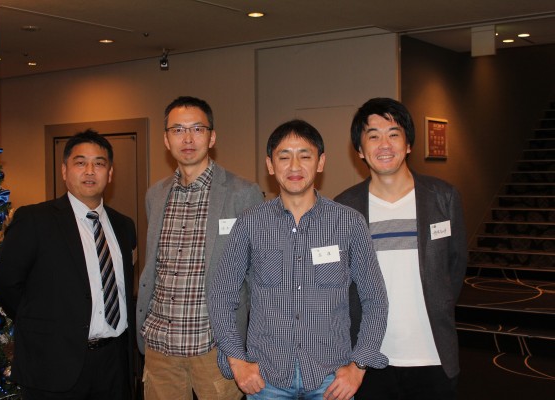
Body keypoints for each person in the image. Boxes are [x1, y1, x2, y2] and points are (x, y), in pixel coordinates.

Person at [208, 119, 389, 400]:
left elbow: (375, 299)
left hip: (332, 379)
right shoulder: (250, 223)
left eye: (305, 156)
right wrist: (236, 360)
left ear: (320, 162)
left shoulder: (348, 223)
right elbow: (221, 295)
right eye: (284, 157)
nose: (294, 166)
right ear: (270, 165)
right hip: (266, 380)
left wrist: (359, 366)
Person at [334, 97, 467, 399]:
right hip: (368, 360)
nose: (384, 144)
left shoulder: (442, 198)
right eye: (373, 136)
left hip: (432, 356)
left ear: (408, 144)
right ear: (359, 150)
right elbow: (339, 283)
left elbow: (455, 266)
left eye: (393, 134)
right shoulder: (344, 208)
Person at [0, 130, 137, 399]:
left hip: (114, 365)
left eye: (99, 163)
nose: (90, 171)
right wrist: (46, 325)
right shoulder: (35, 220)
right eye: (80, 162)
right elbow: (5, 284)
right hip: (53, 364)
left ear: (110, 173)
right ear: (64, 170)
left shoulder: (124, 225)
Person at [136, 96, 264, 400]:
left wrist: (254, 348)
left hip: (215, 348)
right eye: (178, 130)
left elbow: (259, 276)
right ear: (166, 140)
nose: (188, 138)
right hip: (160, 346)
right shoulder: (155, 195)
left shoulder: (243, 193)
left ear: (212, 137)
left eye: (197, 129)